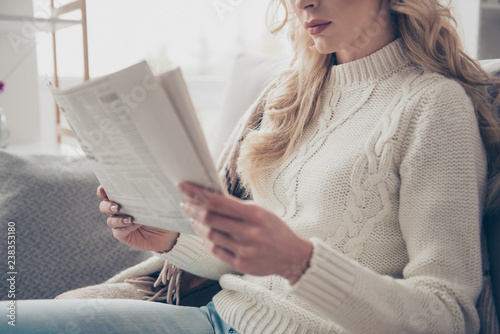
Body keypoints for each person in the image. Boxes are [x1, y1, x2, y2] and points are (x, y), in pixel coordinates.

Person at [2, 0, 500, 333]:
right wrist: (173, 240)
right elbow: (245, 266)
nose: (303, 1)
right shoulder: (293, 96)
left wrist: (299, 262)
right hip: (221, 317)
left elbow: (448, 314)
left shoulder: (434, 106)